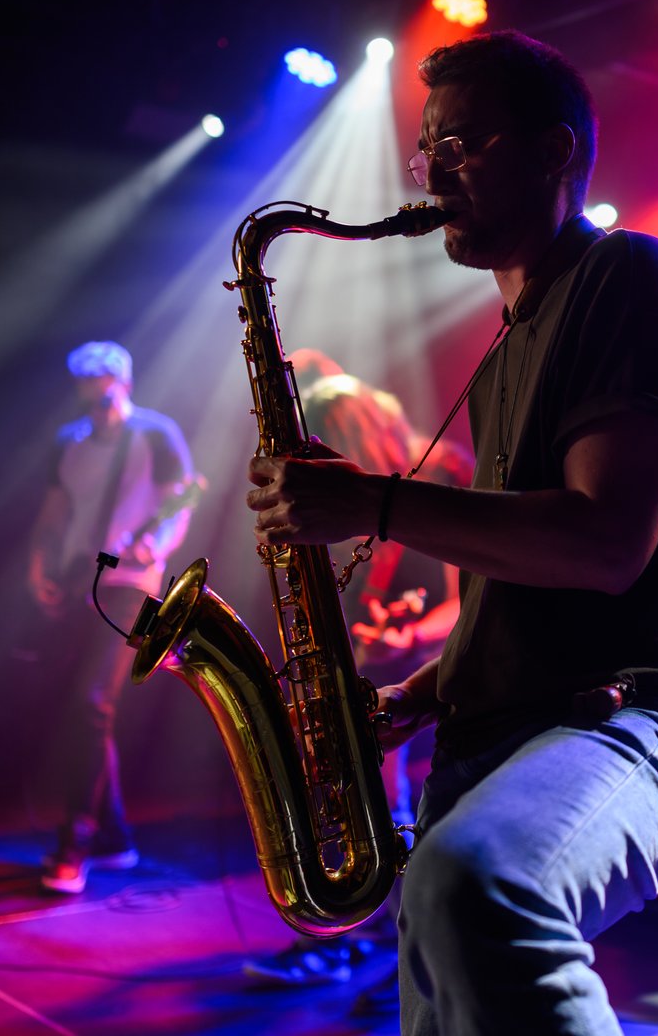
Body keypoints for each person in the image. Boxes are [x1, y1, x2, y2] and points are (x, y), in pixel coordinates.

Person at [244, 30, 658, 1034]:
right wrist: (418, 694)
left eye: (466, 143)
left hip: (647, 715)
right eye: (429, 153)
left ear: (555, 152)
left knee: (478, 887)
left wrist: (371, 503)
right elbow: (529, 581)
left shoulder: (627, 277)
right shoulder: (504, 355)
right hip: (514, 728)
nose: (436, 170)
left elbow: (605, 543)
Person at [244, 371, 469, 993]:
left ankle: (387, 947)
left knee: (379, 809)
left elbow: (463, 609)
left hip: (429, 673)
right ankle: (371, 941)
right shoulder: (374, 495)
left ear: (359, 429)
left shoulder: (438, 479)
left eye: (332, 440)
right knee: (357, 803)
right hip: (380, 664)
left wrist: (404, 637)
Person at [27, 340, 196, 894]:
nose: (97, 404)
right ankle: (115, 836)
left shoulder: (154, 433)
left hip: (134, 588)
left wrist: (160, 544)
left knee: (91, 703)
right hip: (82, 577)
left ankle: (75, 839)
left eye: (105, 392)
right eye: (87, 394)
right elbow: (55, 511)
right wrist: (38, 565)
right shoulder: (68, 443)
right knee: (81, 712)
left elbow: (181, 500)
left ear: (123, 384)